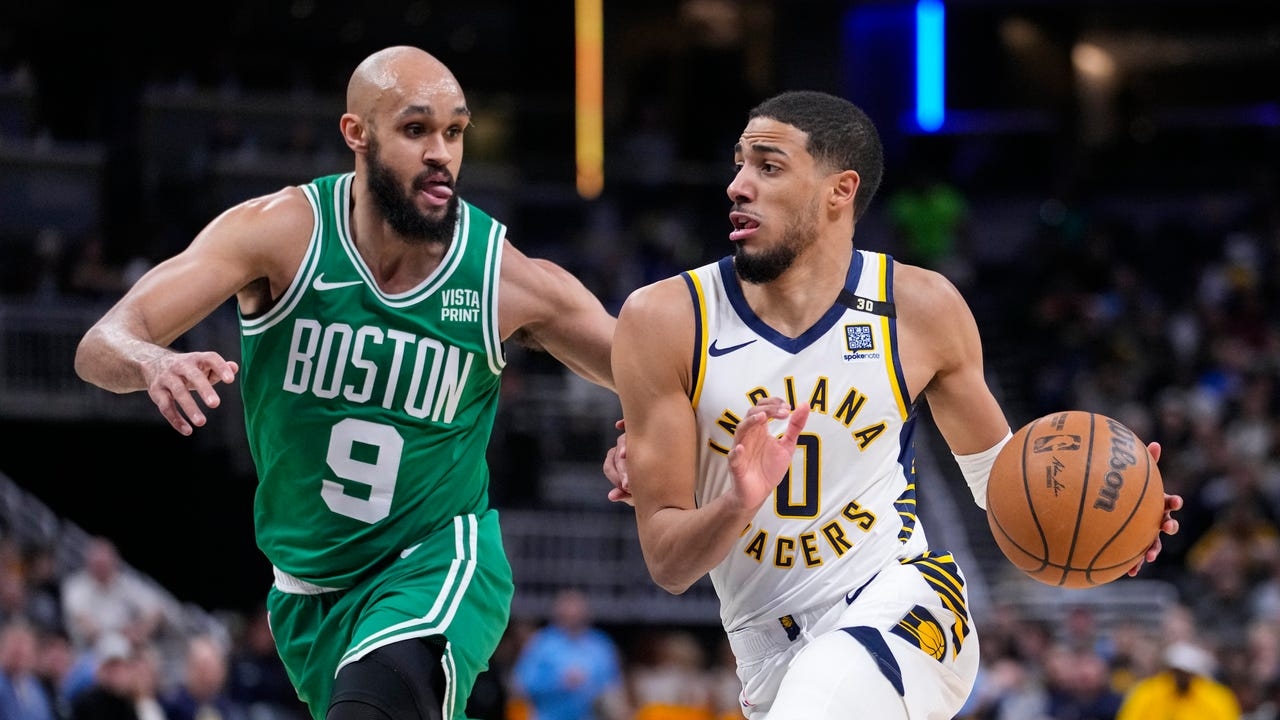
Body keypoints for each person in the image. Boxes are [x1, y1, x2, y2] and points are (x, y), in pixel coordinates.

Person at [74, 45, 616, 720]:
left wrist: (649, 433)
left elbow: (639, 365)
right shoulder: (281, 235)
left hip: (437, 564)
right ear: (356, 133)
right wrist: (153, 362)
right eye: (417, 129)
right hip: (307, 596)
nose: (442, 152)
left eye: (455, 131)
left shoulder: (498, 277)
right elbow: (101, 343)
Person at [602, 90, 1183, 720]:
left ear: (839, 190)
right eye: (739, 164)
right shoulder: (663, 319)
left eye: (768, 167)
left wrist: (1110, 506)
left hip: (904, 606)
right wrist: (734, 504)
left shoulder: (920, 307)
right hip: (765, 656)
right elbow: (667, 564)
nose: (738, 186)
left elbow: (1002, 485)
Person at [510, 588, 626, 720]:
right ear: (557, 613)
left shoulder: (601, 645)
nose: (572, 617)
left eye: (576, 613)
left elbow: (614, 686)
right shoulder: (541, 643)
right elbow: (521, 684)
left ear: (586, 614)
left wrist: (590, 685)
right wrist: (558, 682)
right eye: (568, 613)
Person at [1115, 640, 1241, 720]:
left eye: (1186, 672)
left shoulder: (1216, 697)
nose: (1181, 676)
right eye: (1177, 671)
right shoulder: (1147, 692)